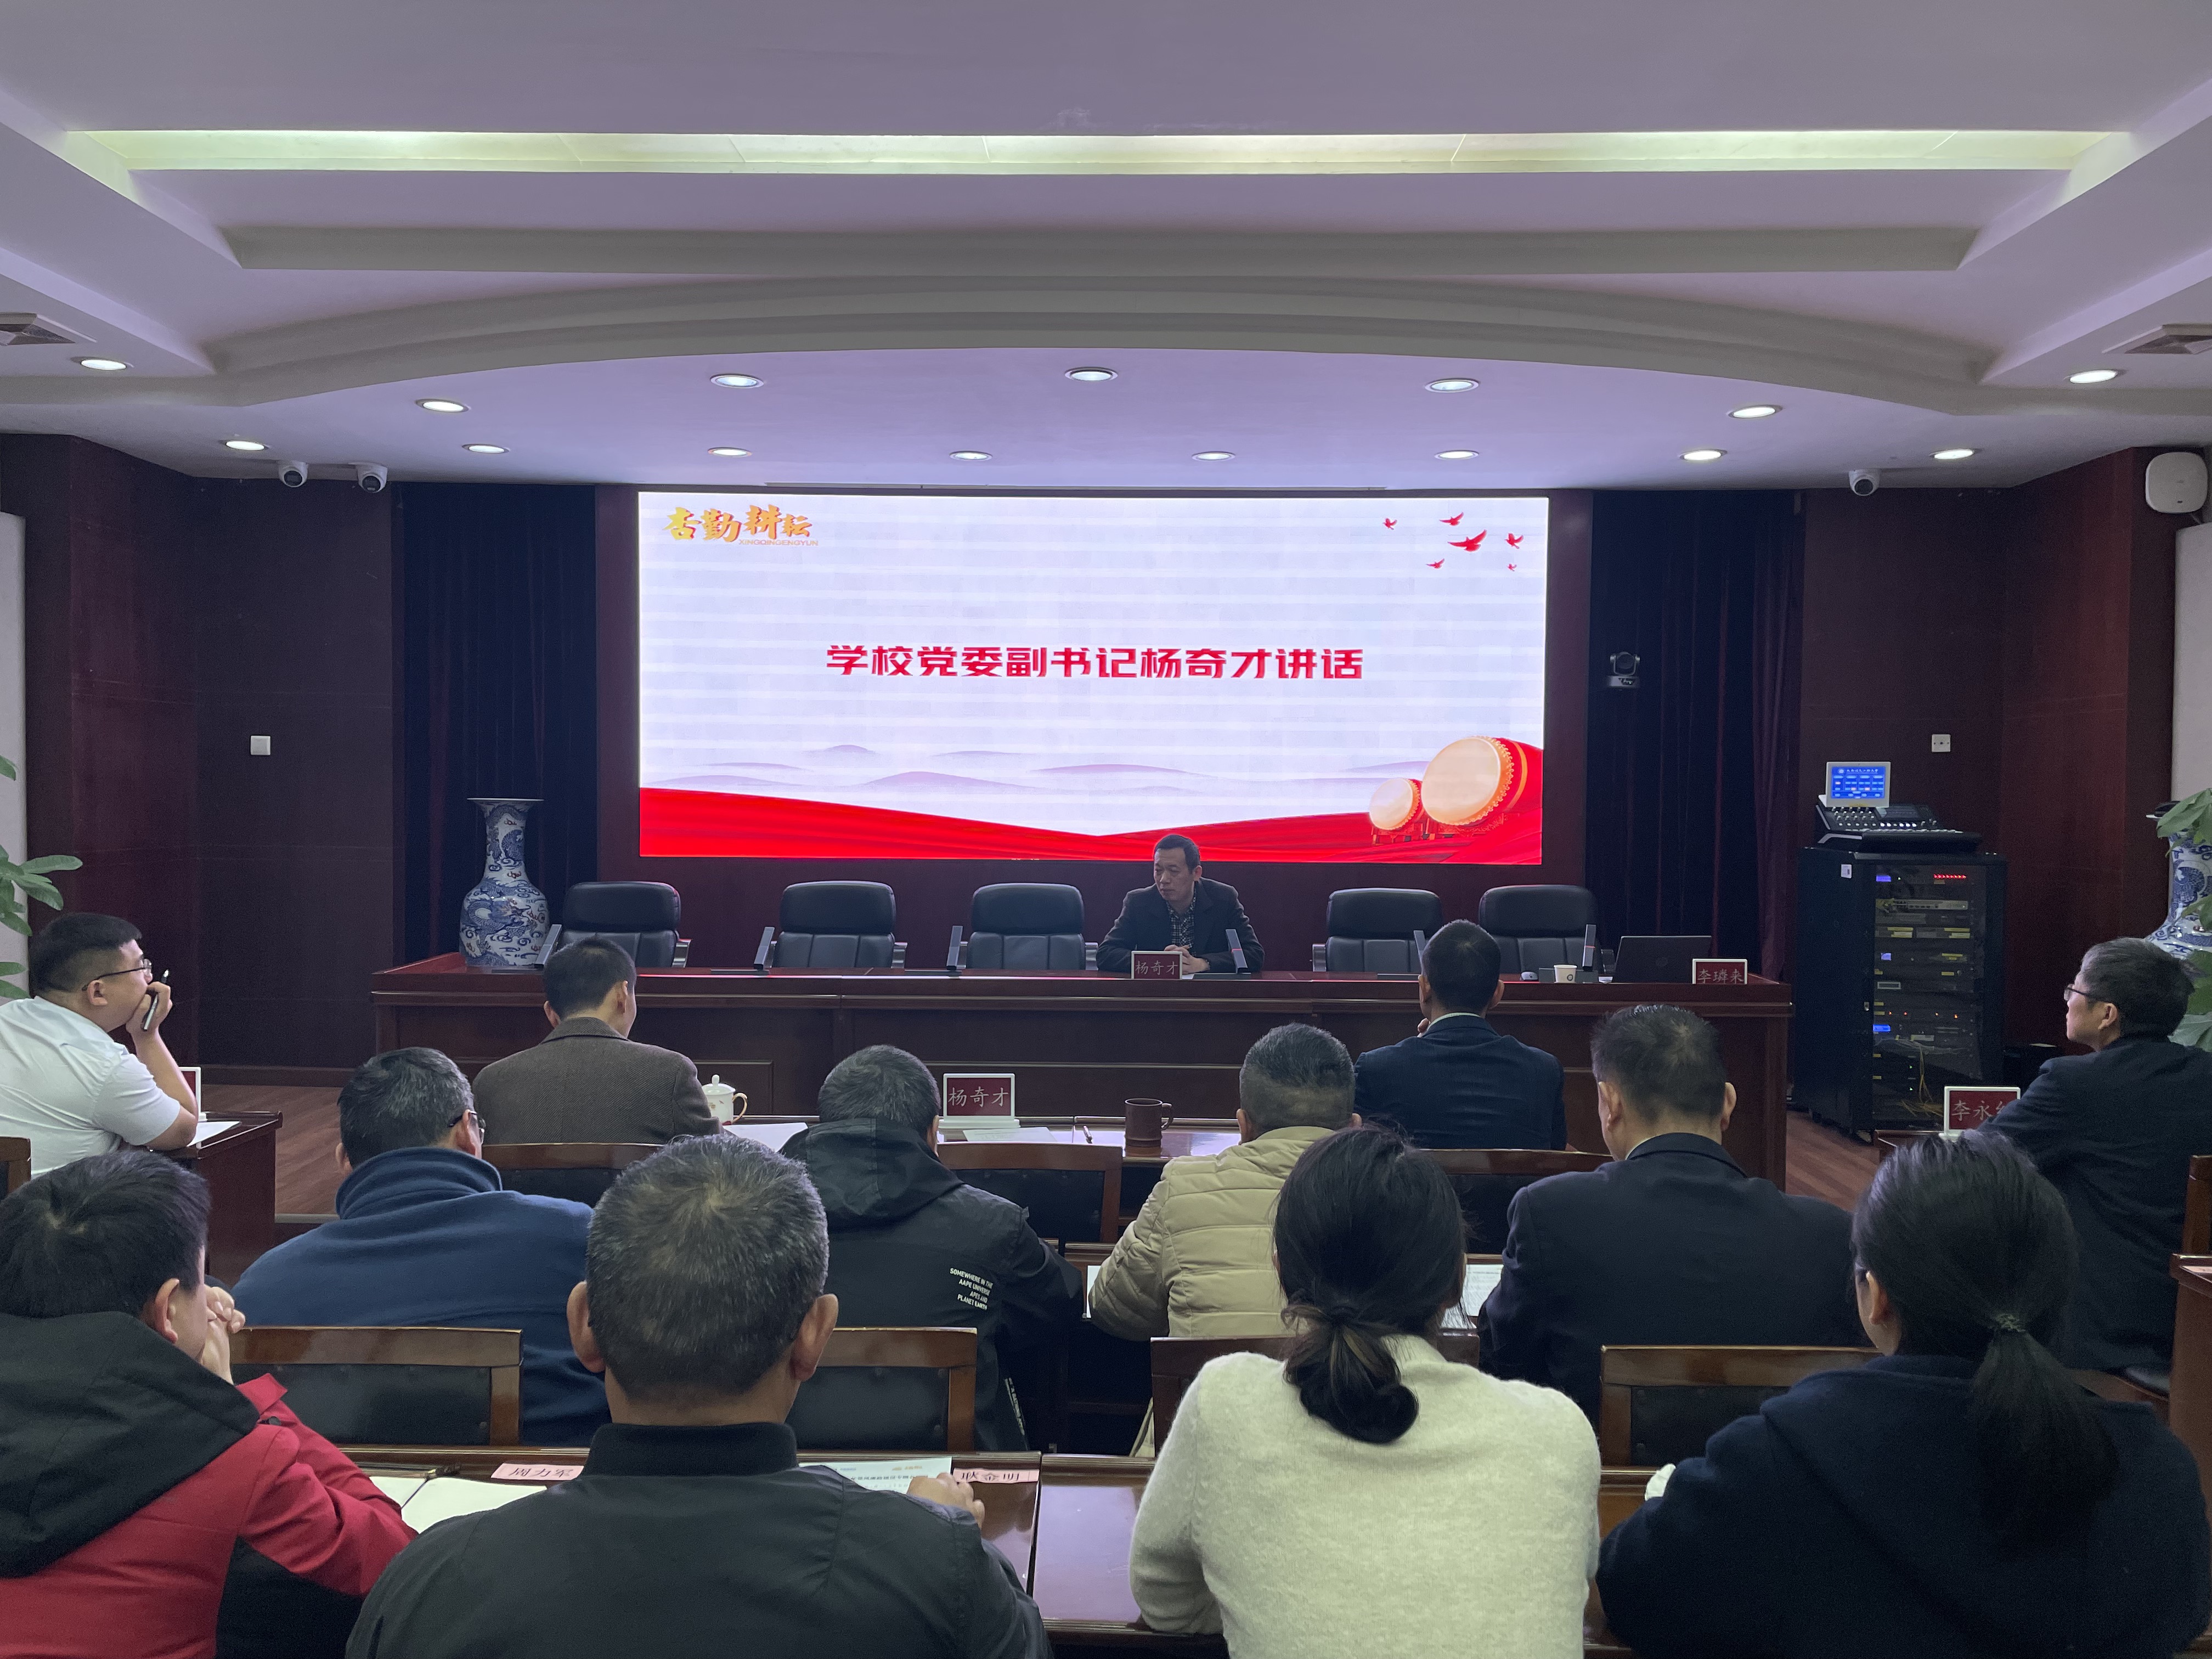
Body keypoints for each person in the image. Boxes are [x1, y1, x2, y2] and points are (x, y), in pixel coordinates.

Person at [345, 1136, 1049, 1659]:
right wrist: (930, 1534)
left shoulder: (433, 1584)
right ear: (815, 1337)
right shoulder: (944, 1573)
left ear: (584, 1325)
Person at [1597, 1131, 2211, 1659]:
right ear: (2057, 1291)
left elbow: (1632, 1588)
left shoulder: (1774, 1465)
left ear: (1878, 1297)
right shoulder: (2157, 1477)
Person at [1130, 1126, 1599, 1658]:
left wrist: (1260, 1602)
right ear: (1457, 1279)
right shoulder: (1558, 1434)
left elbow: (1165, 1602)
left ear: (1282, 1273)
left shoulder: (1223, 1406)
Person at [0, 1150, 412, 1659]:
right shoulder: (233, 1458)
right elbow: (394, 1564)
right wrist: (234, 1402)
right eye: (202, 1280)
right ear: (168, 1310)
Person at [1480, 1004, 1861, 1423]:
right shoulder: (1830, 1235)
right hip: (1770, 1463)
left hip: (1592, 1461)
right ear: (1728, 1103)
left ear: (1610, 1103)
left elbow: (1504, 1362)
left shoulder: (1550, 1213)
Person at [234, 1048, 608, 1446]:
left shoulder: (261, 1289)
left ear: (345, 1161)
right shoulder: (576, 1235)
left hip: (338, 1484)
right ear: (468, 1132)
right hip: (563, 1476)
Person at [780, 1045, 1081, 1449]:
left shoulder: (755, 1221)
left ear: (825, 1128)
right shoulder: (991, 1225)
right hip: (961, 1475)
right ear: (933, 1131)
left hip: (786, 1467)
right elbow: (1062, 1305)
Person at [1990, 938, 2212, 1374]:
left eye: (2074, 990)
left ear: (2107, 1014)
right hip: (2198, 1315)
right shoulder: (2205, 1074)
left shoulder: (2074, 1084)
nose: (2068, 1001)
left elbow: (1979, 1158)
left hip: (2106, 1330)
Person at [1092, 1023, 1359, 1340]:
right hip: (1352, 1375)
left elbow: (1113, 1308)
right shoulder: (1392, 1191)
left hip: (1211, 1374)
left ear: (1243, 1126)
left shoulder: (1182, 1187)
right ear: (1354, 1127)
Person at [472, 936, 719, 1147]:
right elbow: (719, 1159)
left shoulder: (490, 1082)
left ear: (551, 1013)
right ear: (622, 995)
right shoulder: (670, 1072)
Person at [0, 912, 196, 1175]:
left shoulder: (7, 1017)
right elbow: (182, 1130)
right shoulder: (105, 1066)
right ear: (98, 991)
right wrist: (147, 1036)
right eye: (140, 967)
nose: (149, 978)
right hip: (57, 1202)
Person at [1352, 919, 1565, 1148]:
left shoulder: (1375, 1069)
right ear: (1497, 993)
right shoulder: (1544, 1071)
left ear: (1424, 988)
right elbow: (1557, 1155)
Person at [1097, 834, 1266, 974]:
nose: (1164, 880)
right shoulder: (1139, 902)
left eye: (1174, 871)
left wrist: (1203, 963)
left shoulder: (1223, 899)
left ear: (1196, 873)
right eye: (1158, 870)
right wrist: (1158, 962)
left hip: (1210, 995)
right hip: (1156, 995)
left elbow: (1254, 954)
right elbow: (1106, 954)